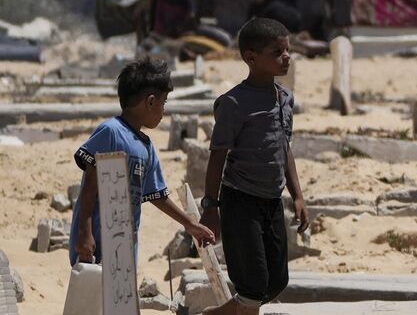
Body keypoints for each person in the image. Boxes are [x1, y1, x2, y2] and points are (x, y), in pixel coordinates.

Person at [203, 18, 307, 315]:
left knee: (276, 282)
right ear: (251, 57)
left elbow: (283, 148)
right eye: (276, 52)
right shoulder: (234, 104)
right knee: (252, 285)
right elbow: (217, 156)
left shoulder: (284, 99)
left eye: (287, 50)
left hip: (272, 201)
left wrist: (297, 196)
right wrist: (211, 207)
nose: (286, 57)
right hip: (241, 201)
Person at [70, 59, 216, 267]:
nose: (163, 110)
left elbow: (158, 196)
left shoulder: (146, 146)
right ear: (150, 102)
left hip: (126, 243)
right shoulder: (111, 132)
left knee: (120, 297)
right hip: (96, 240)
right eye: (163, 103)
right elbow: (89, 188)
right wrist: (84, 233)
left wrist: (191, 224)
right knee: (92, 295)